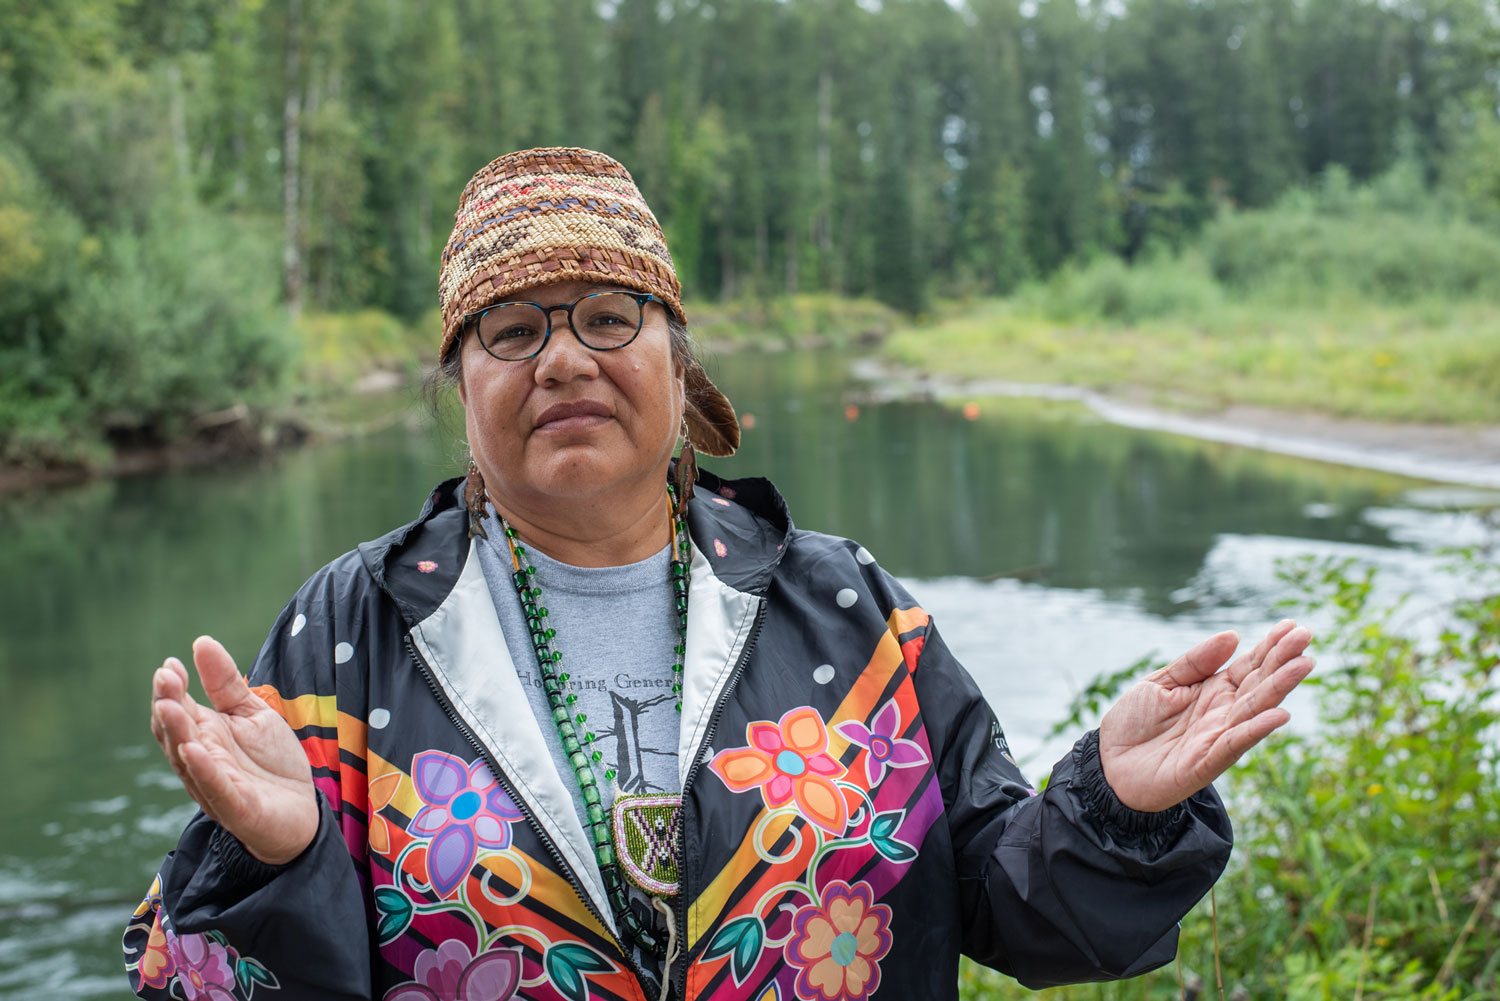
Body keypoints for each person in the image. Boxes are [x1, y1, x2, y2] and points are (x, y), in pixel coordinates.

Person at [125, 147, 1314, 1001]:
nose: (563, 360)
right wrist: (272, 862)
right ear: (460, 385)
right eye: (512, 329)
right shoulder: (355, 628)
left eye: (606, 315)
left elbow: (1013, 906)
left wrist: (1114, 799)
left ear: (678, 364)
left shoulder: (848, 610)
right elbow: (230, 979)